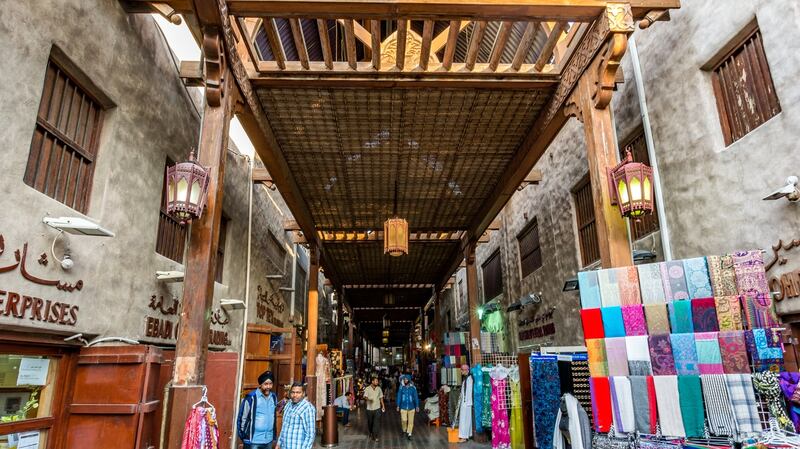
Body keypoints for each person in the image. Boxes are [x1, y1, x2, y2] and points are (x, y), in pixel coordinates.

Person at [237, 370, 278, 449]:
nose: (268, 387)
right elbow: (242, 417)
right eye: (266, 384)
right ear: (260, 384)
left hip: (268, 440)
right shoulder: (251, 397)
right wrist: (245, 436)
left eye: (270, 384)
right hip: (253, 441)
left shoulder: (273, 397)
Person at [276, 382, 316, 449]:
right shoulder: (288, 404)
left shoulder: (308, 408)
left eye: (298, 392)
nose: (295, 395)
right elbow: (284, 427)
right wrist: (278, 443)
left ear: (303, 394)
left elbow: (310, 434)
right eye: (293, 392)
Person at [396, 374, 420, 440]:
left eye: (406, 379)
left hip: (411, 407)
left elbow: (415, 397)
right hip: (403, 407)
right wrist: (398, 405)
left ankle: (409, 433)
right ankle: (404, 430)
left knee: (411, 421)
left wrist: (417, 406)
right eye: (404, 379)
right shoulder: (401, 387)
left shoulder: (413, 388)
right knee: (404, 420)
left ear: (409, 380)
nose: (405, 380)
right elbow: (399, 397)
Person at [364, 376, 385, 442]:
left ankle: (375, 436)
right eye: (376, 381)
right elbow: (365, 397)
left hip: (377, 408)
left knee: (376, 423)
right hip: (369, 409)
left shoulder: (379, 389)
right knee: (370, 422)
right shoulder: (367, 388)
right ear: (372, 381)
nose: (377, 382)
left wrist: (383, 406)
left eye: (377, 381)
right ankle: (370, 432)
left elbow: (381, 398)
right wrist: (369, 400)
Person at [457, 364, 474, 443]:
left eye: (462, 369)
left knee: (464, 419)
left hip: (466, 402)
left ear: (467, 370)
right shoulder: (466, 379)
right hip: (465, 402)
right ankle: (467, 435)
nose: (461, 371)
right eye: (461, 369)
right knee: (466, 419)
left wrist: (466, 402)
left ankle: (464, 437)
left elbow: (469, 392)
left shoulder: (469, 379)